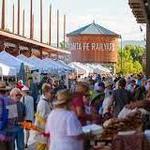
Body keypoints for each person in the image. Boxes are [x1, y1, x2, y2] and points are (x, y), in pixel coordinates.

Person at [34, 83, 53, 150]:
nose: (52, 94)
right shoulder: (43, 103)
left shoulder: (46, 101)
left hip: (44, 130)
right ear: (46, 92)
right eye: (50, 92)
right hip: (42, 131)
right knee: (41, 147)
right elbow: (42, 119)